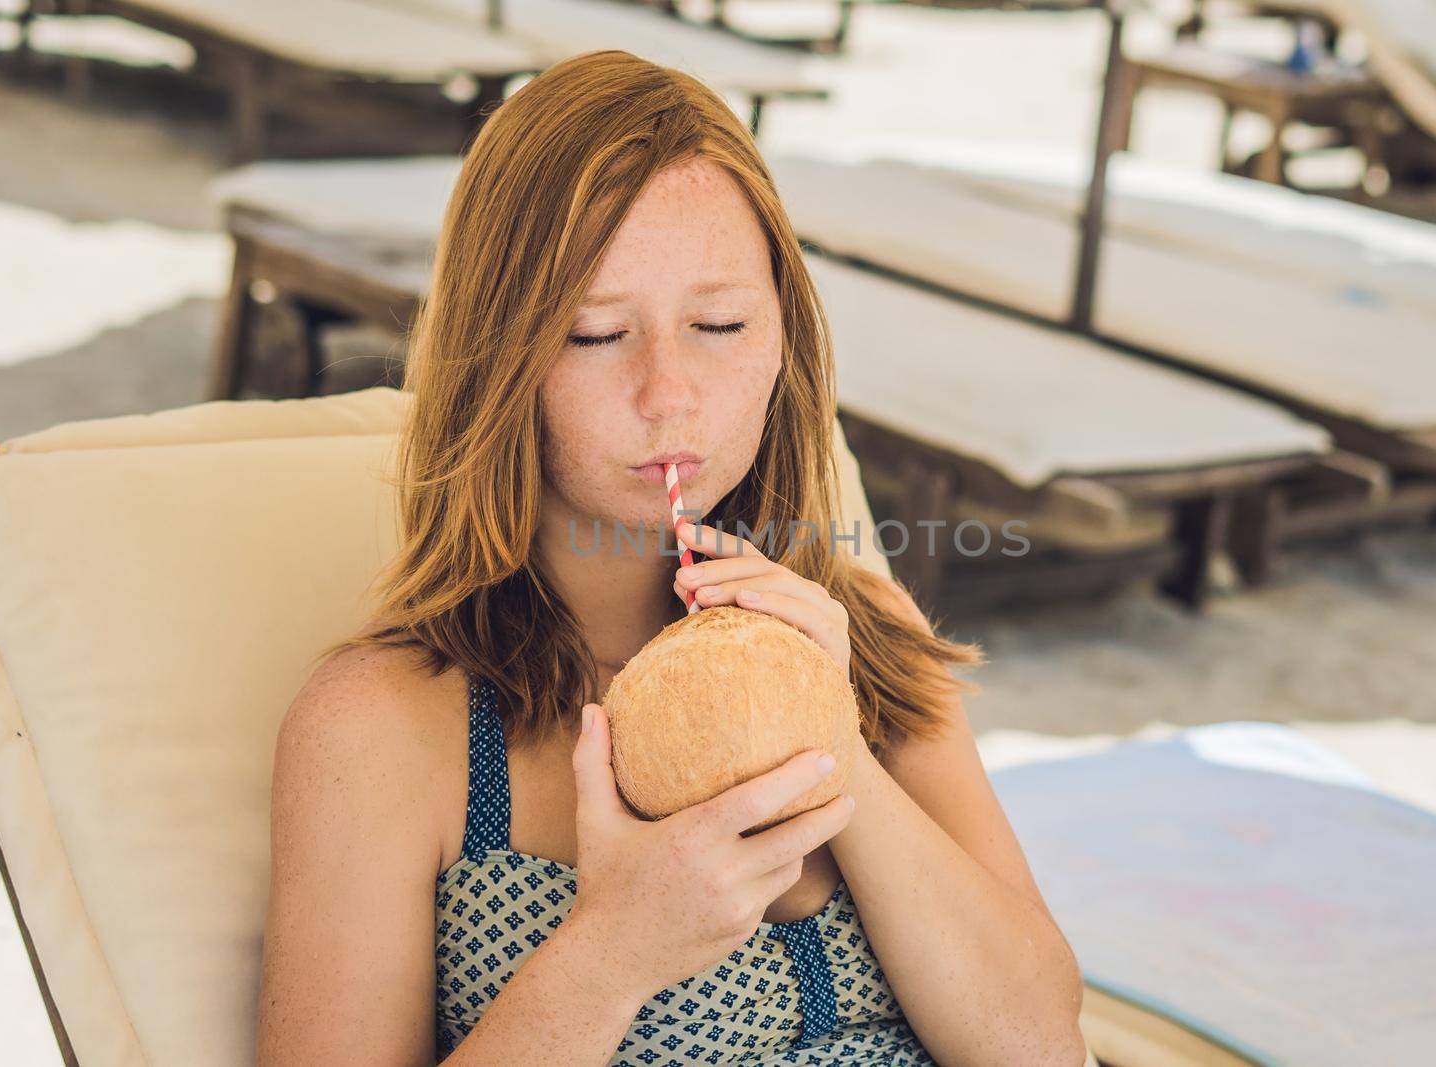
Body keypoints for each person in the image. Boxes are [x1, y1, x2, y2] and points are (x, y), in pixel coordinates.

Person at [255, 48, 1087, 1066]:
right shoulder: (382, 726)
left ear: (785, 342)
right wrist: (611, 953)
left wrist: (838, 749)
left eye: (720, 323)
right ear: (498, 361)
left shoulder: (862, 630)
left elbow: (1039, 1043)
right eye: (598, 334)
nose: (670, 394)